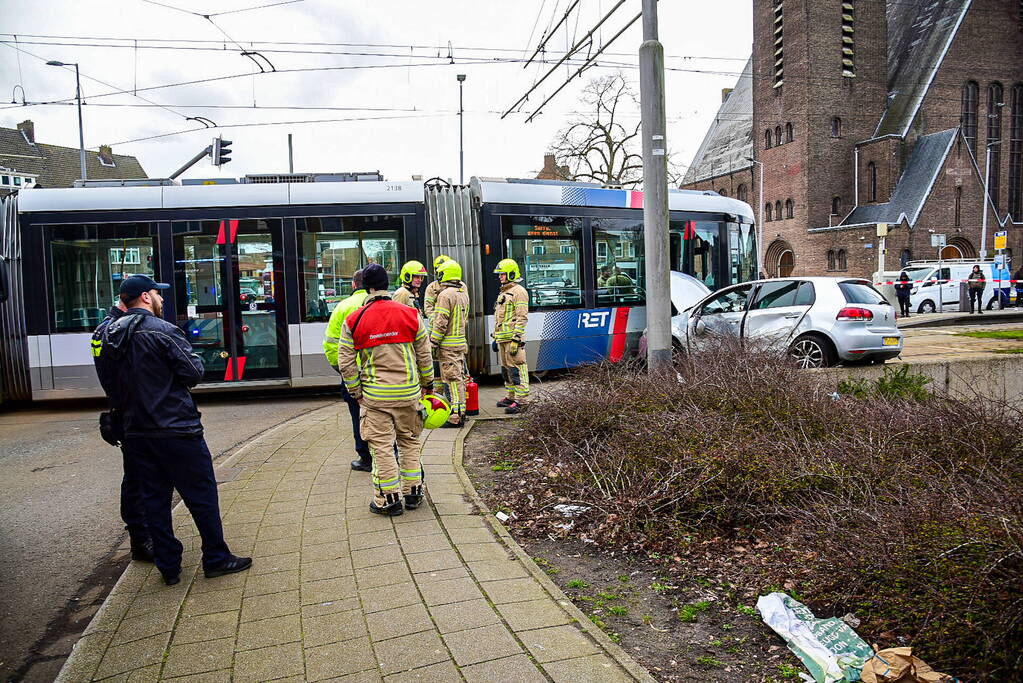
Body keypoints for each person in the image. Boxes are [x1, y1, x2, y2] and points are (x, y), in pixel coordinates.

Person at [97, 275, 251, 585]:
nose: (162, 299)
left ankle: (168, 566)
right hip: (177, 429)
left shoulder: (108, 334)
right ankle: (216, 558)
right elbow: (193, 372)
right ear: (144, 297)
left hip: (136, 432)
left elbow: (110, 383)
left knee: (154, 498)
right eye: (157, 293)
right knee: (201, 494)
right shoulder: (163, 331)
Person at [337, 264, 434, 516]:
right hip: (409, 393)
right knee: (410, 443)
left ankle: (388, 501)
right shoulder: (410, 314)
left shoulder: (354, 319)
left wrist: (356, 391)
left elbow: (345, 362)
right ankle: (414, 493)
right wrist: (427, 385)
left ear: (366, 287)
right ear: (386, 285)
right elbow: (424, 355)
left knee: (381, 448)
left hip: (376, 398)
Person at [91, 299, 153, 564]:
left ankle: (145, 535)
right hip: (132, 416)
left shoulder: (104, 330)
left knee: (137, 477)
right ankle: (141, 539)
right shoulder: (116, 331)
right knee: (137, 479)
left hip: (124, 412)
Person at [324, 270, 373, 472]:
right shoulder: (379, 304)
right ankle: (388, 453)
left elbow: (331, 345)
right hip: (378, 374)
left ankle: (365, 457)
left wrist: (344, 371)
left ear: (354, 285)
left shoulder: (343, 307)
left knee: (357, 415)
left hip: (352, 373)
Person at [429, 260, 471, 427]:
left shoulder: (445, 295)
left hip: (448, 346)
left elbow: (441, 322)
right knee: (459, 379)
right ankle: (461, 412)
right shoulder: (463, 294)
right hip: (460, 343)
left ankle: (456, 416)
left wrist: (433, 342)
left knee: (452, 380)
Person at [492, 258, 529, 414]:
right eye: (499, 274)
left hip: (512, 340)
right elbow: (500, 317)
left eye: (503, 274)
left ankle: (523, 401)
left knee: (517, 369)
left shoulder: (519, 292)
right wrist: (496, 337)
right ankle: (511, 396)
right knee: (506, 370)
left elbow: (522, 317)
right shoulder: (505, 292)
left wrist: (516, 338)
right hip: (503, 339)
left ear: (511, 274)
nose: (500, 276)